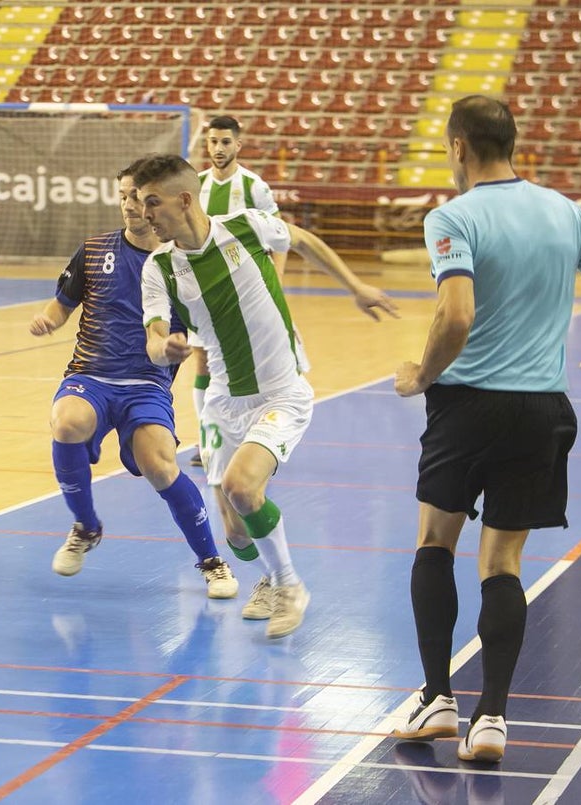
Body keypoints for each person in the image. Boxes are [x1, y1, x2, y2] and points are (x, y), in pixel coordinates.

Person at [391, 95, 581, 762]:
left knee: (434, 544)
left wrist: (422, 373)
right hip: (539, 410)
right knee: (502, 563)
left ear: (458, 148)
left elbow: (455, 317)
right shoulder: (564, 211)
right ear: (512, 142)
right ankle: (493, 720)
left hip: (464, 408)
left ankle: (437, 700)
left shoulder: (451, 217)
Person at [133, 154, 398, 638]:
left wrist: (355, 286)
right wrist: (163, 347)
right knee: (234, 529)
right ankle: (270, 579)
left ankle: (289, 585)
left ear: (184, 199)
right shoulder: (160, 267)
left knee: (242, 486)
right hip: (222, 401)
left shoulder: (247, 227)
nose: (144, 213)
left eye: (152, 202)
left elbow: (304, 240)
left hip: (281, 392)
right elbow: (152, 336)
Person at [30, 159, 239, 599]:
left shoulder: (179, 266)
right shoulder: (93, 250)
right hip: (91, 374)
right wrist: (48, 321)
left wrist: (184, 347)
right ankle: (86, 527)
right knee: (66, 421)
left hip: (147, 384)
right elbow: (61, 305)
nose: (130, 206)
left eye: (138, 198)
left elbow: (209, 326)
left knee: (161, 466)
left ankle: (211, 561)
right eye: (124, 196)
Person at [188, 115, 296, 467]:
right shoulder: (196, 185)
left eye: (225, 142)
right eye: (212, 141)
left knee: (247, 364)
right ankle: (207, 440)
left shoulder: (254, 187)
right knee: (203, 362)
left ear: (238, 145)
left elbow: (280, 236)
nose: (218, 148)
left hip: (247, 294)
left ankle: (259, 435)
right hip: (205, 293)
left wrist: (275, 281)